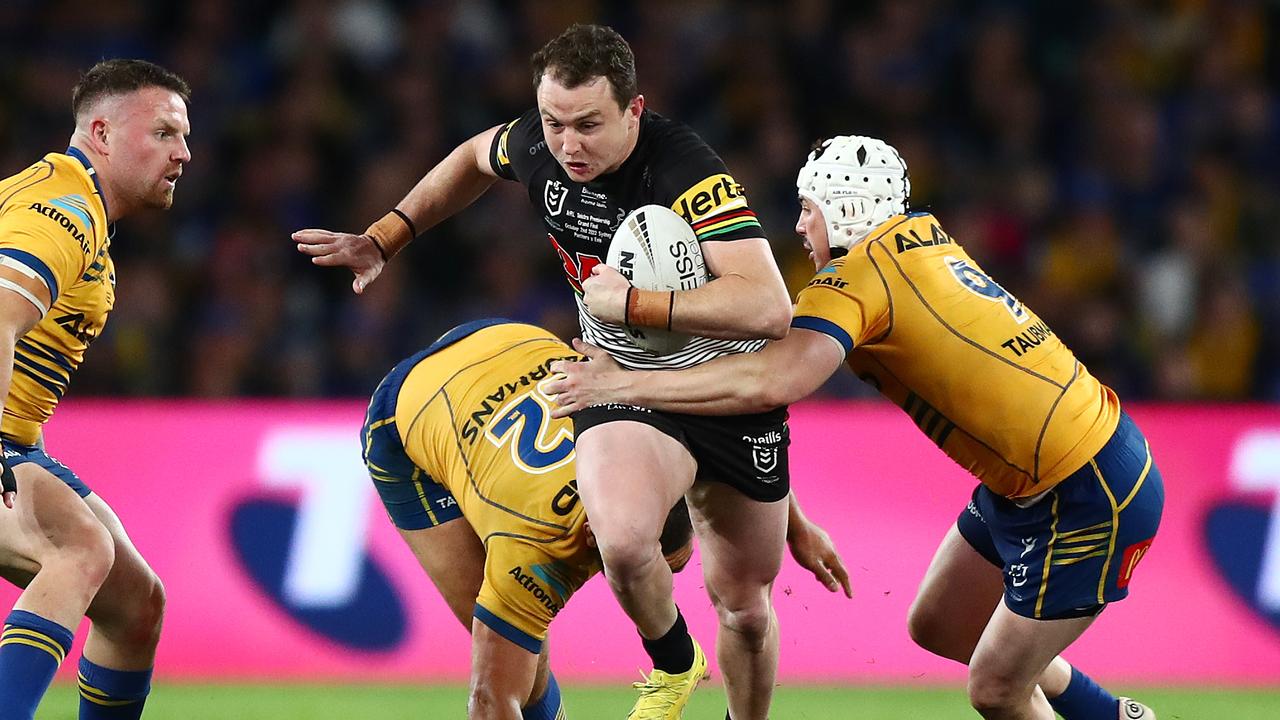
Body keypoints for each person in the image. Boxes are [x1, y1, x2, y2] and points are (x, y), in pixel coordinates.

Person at [546, 135, 1164, 720]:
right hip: (1051, 470)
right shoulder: (921, 236)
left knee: (996, 688)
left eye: (807, 210)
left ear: (839, 213)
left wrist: (620, 379)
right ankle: (1110, 714)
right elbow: (761, 370)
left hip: (1084, 492)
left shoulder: (857, 282)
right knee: (943, 625)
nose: (799, 226)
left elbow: (768, 383)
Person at [296, 24, 798, 720]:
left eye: (590, 125)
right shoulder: (539, 144)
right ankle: (676, 663)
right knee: (624, 544)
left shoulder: (687, 172)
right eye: (556, 123)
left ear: (634, 110)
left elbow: (770, 306)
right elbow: (473, 157)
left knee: (743, 608)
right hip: (617, 384)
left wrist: (633, 302)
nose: (569, 145)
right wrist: (386, 235)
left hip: (716, 392)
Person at [360, 318, 849, 720]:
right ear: (598, 535)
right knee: (513, 662)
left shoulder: (639, 439)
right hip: (403, 417)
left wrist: (795, 524)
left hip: (512, 340)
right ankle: (673, 661)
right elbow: (489, 703)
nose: (663, 581)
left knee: (520, 643)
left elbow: (725, 444)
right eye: (661, 569)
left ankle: (672, 661)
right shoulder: (535, 545)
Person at [0, 60, 191, 720]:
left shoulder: (67, 201)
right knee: (80, 549)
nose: (184, 153)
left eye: (185, 136)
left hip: (16, 439)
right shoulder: (66, 212)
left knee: (135, 606)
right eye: (165, 132)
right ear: (102, 133)